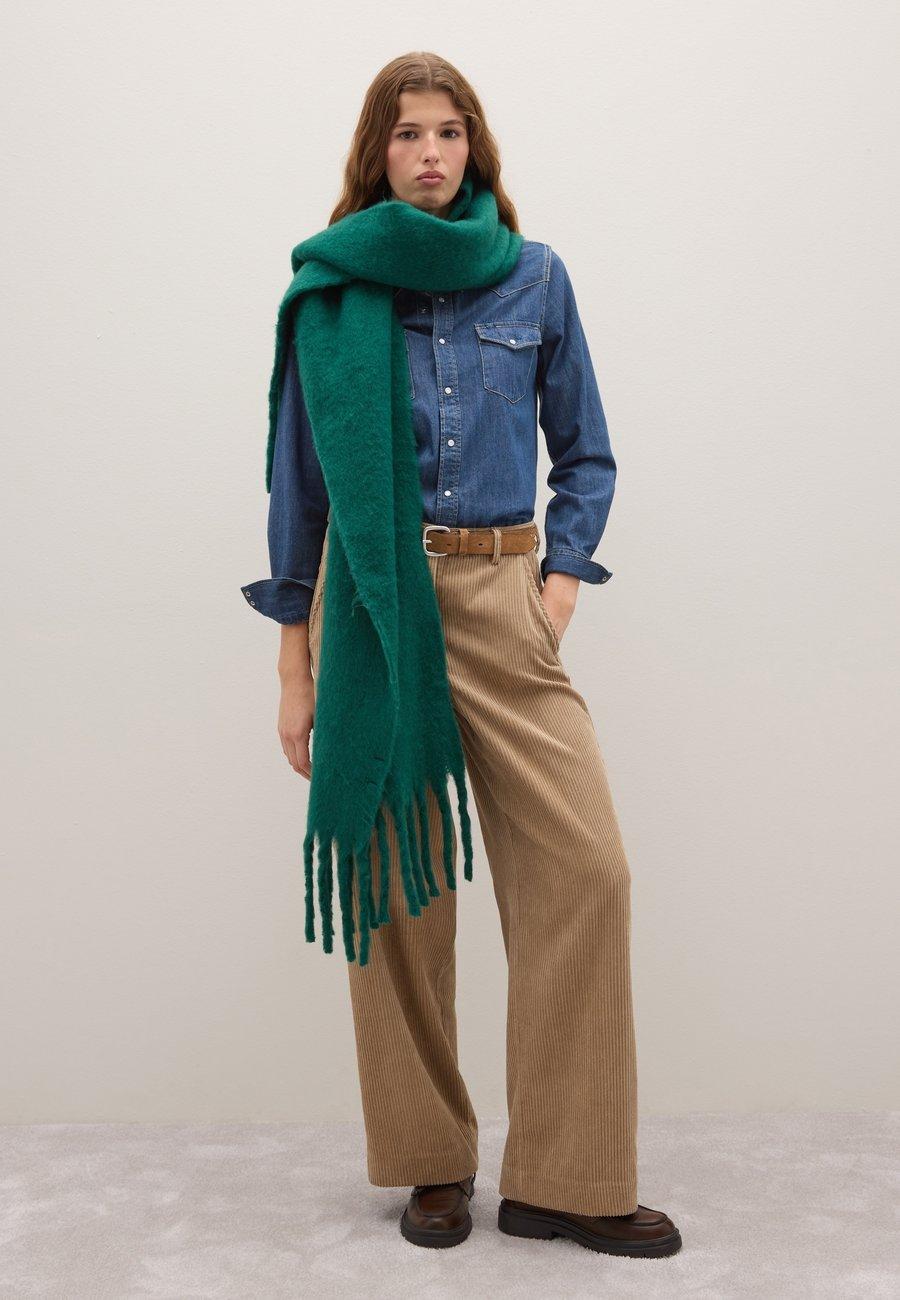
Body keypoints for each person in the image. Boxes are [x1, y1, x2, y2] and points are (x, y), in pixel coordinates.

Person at [241, 52, 682, 1259]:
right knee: (397, 888)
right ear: (375, 153)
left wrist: (557, 587)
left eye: (447, 131)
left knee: (586, 870)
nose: (429, 153)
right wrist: (293, 666)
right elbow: (299, 492)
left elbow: (585, 450)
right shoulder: (330, 293)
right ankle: (432, 1160)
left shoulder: (533, 275)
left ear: (473, 144)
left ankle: (567, 1176)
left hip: (502, 592)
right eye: (406, 134)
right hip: (373, 604)